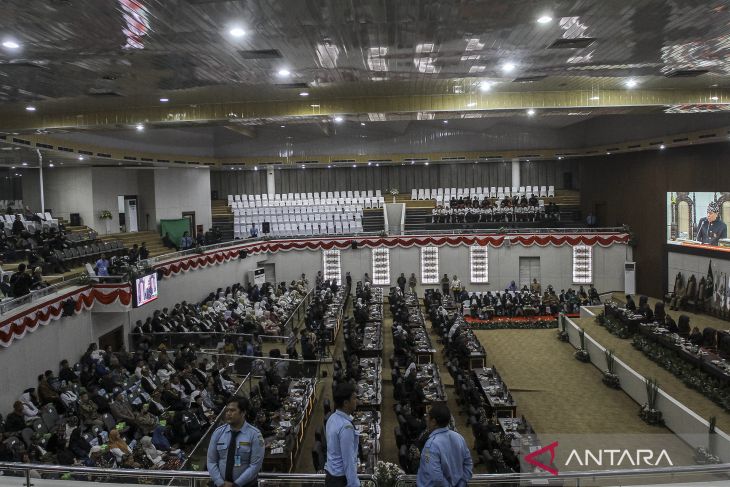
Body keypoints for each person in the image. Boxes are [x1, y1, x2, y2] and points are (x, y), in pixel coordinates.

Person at [207, 397, 264, 487]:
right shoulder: (218, 433)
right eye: (227, 410)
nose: (228, 413)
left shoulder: (254, 434)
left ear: (243, 412)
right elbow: (211, 461)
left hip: (246, 485)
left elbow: (255, 465)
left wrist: (236, 485)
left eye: (233, 410)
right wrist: (220, 482)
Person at [416, 404, 473, 487]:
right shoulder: (459, 437)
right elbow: (468, 463)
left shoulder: (430, 446)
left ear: (433, 422)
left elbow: (436, 477)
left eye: (428, 416)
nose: (426, 419)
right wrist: (462, 482)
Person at [324, 382, 360, 487]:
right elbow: (348, 461)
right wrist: (354, 484)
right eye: (354, 398)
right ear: (345, 403)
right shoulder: (346, 427)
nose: (356, 401)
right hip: (341, 480)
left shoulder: (332, 418)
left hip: (331, 475)